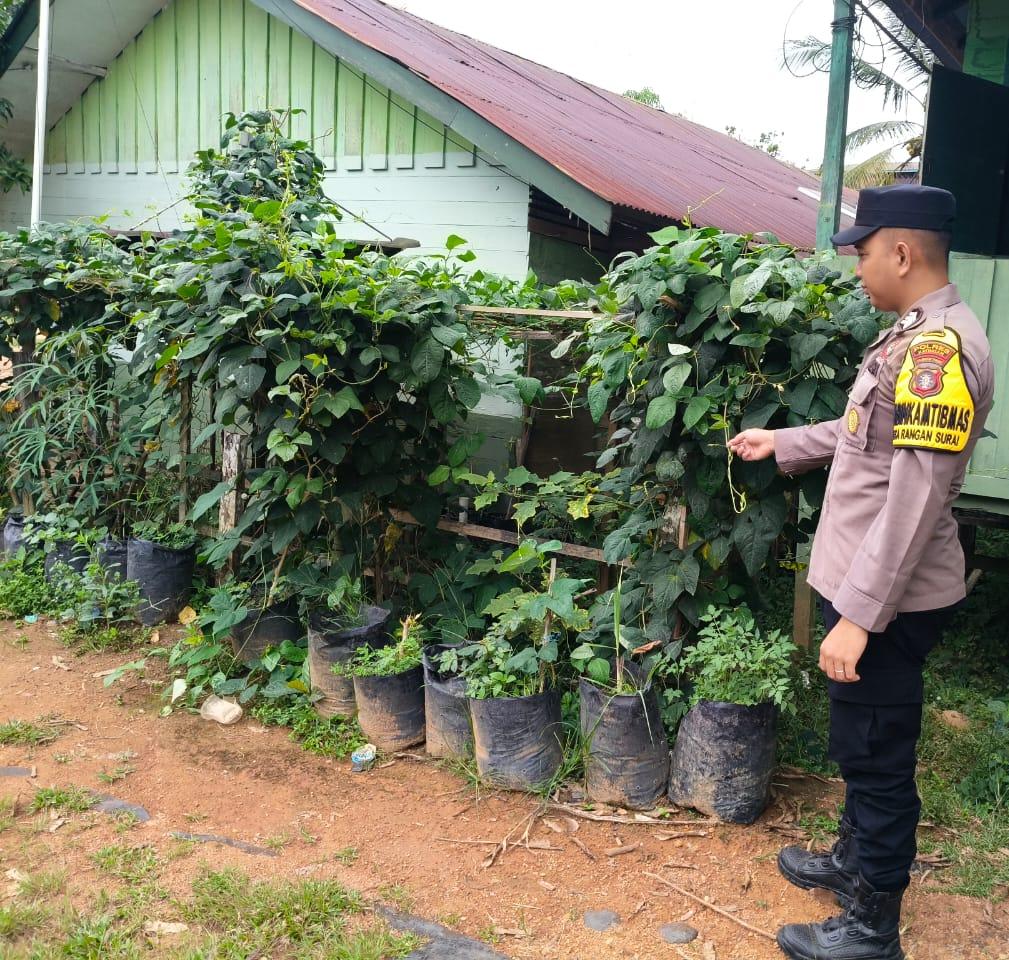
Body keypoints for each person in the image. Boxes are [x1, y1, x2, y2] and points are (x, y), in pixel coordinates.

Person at [728, 184, 994, 960]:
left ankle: (872, 927)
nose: (858, 269)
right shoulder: (912, 334)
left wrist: (858, 617)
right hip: (867, 586)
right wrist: (784, 442)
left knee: (876, 758)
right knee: (858, 743)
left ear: (901, 253)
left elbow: (912, 500)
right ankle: (852, 864)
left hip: (887, 600)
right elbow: (866, 439)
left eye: (864, 253)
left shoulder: (938, 352)